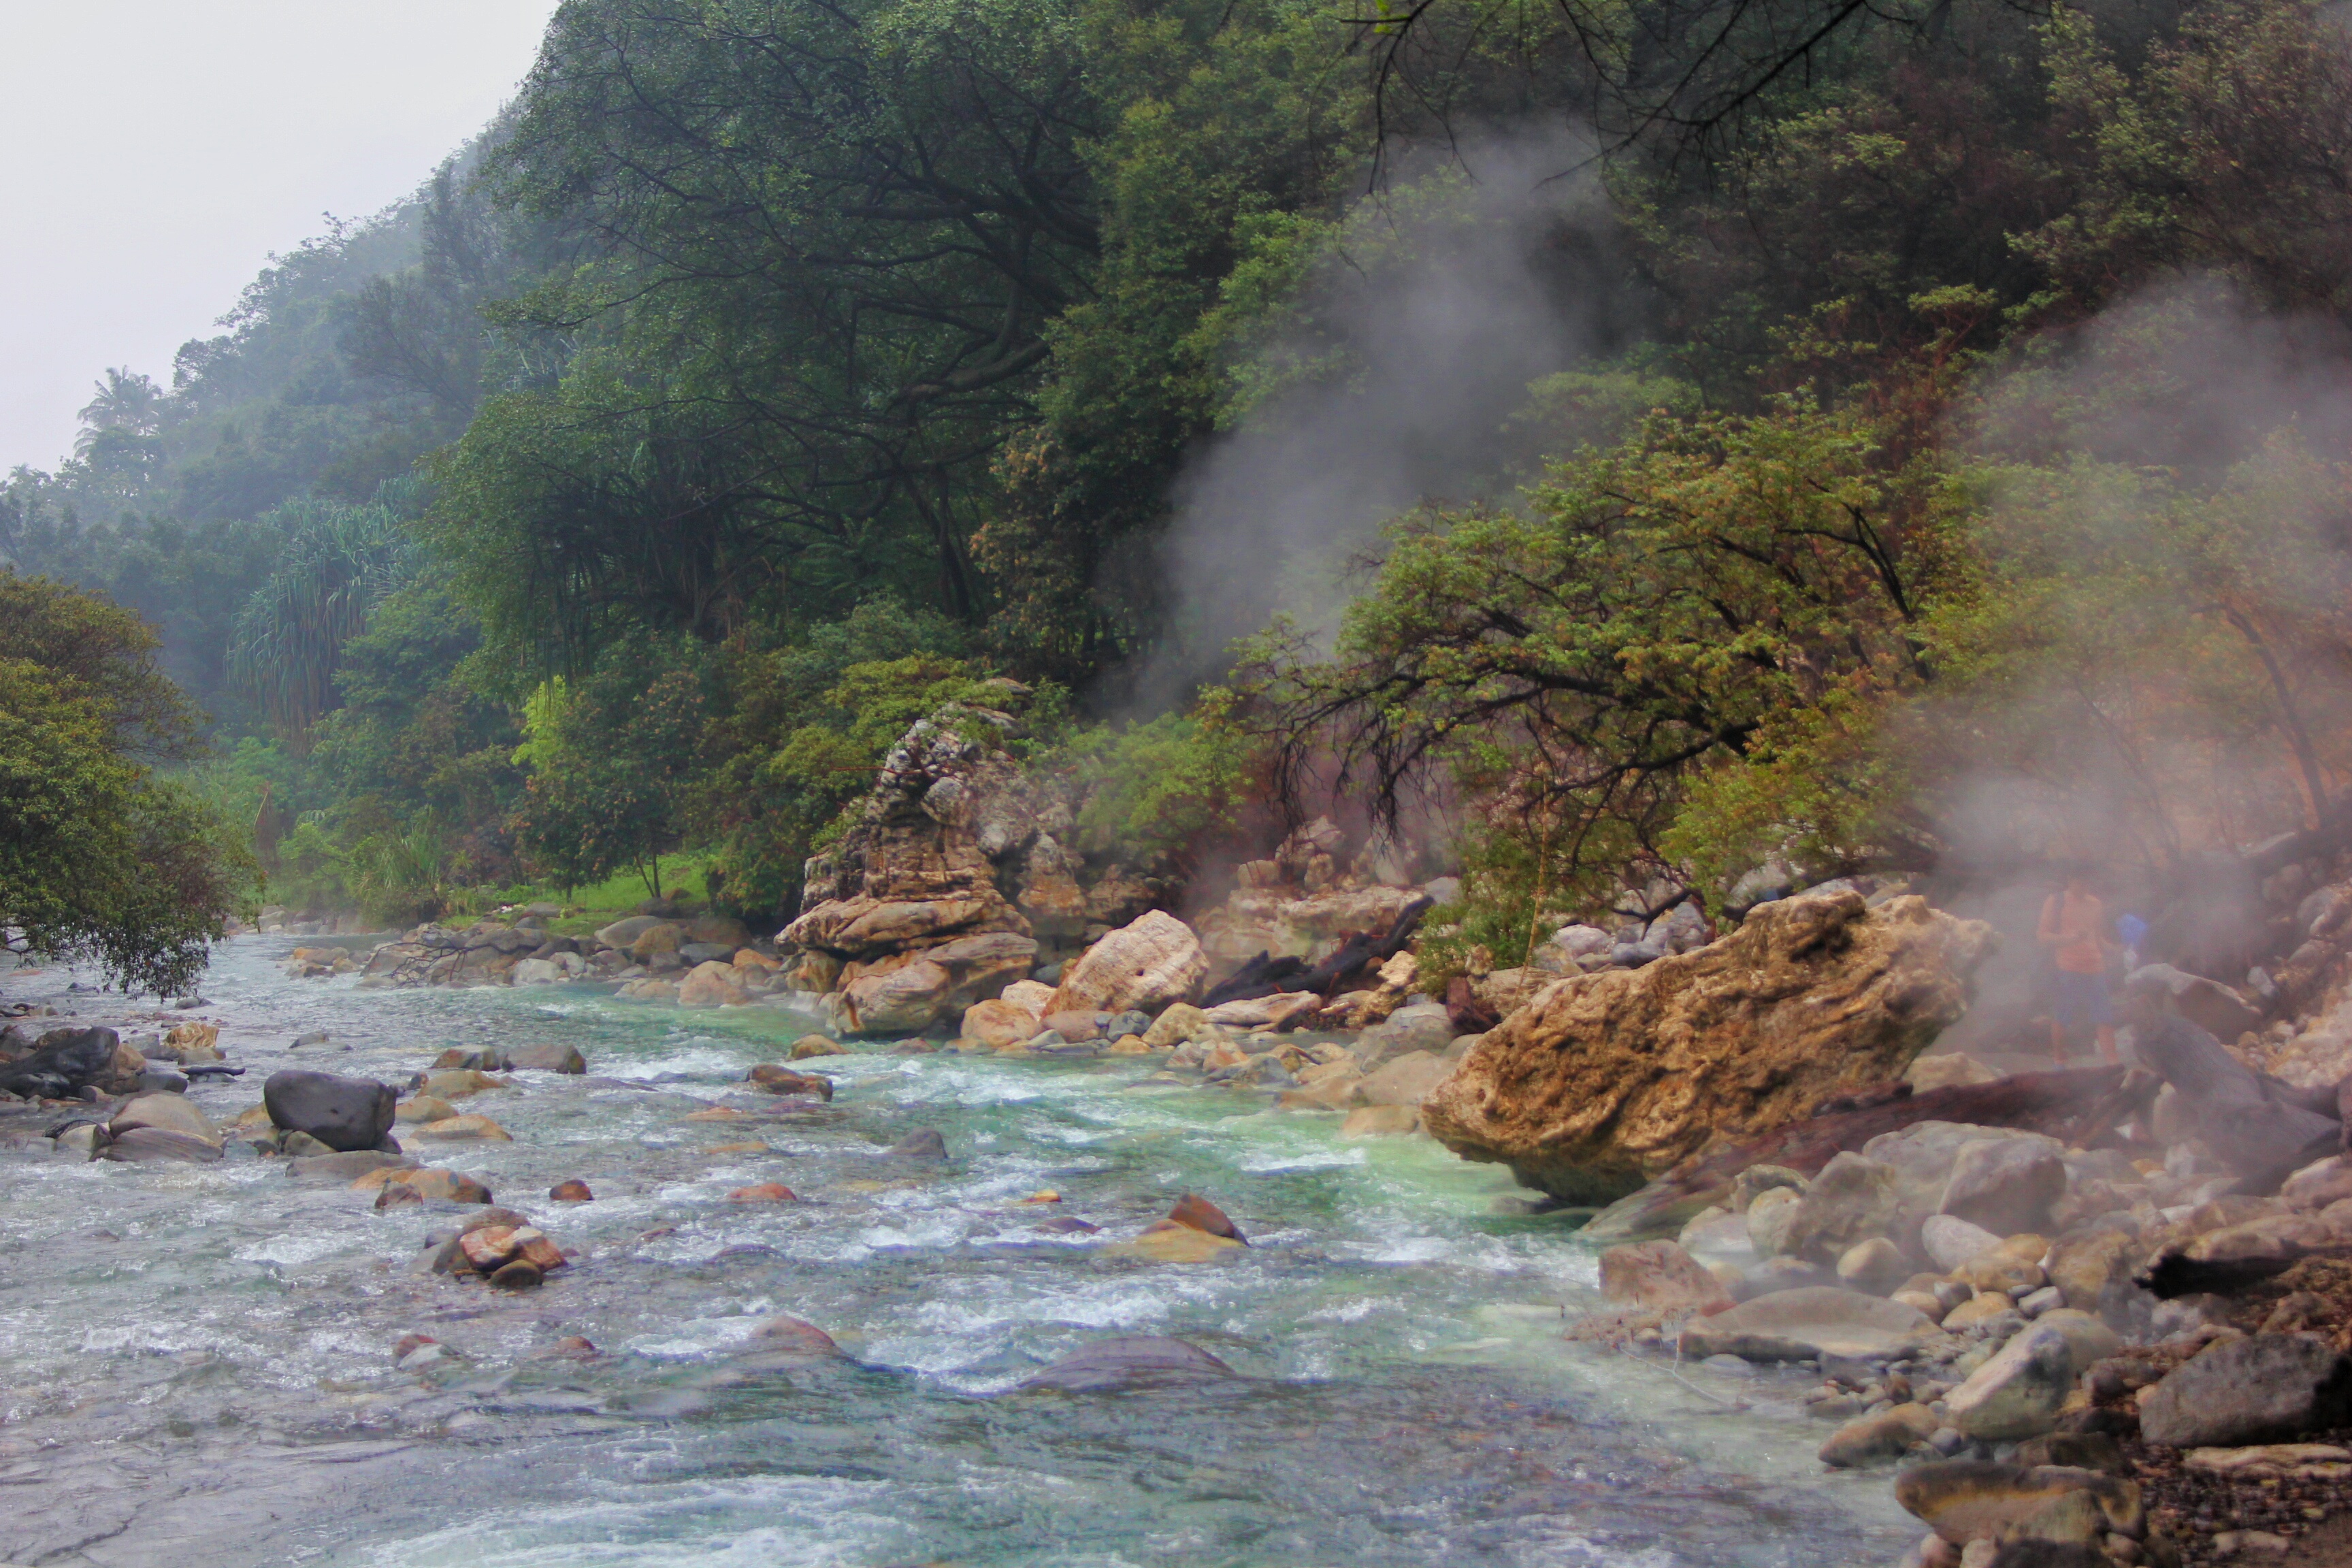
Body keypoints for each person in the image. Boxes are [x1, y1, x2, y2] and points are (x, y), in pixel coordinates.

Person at [2039, 868, 2119, 1065]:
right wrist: (2071, 939)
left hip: (2095, 967)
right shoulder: (2056, 901)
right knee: (2063, 1015)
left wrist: (2115, 949)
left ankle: (2112, 1061)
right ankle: (2059, 1057)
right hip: (2067, 966)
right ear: (2070, 880)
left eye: (2086, 884)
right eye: (2079, 883)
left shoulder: (2095, 904)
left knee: (2104, 1016)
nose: (2082, 888)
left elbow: (2098, 938)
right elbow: (2042, 936)